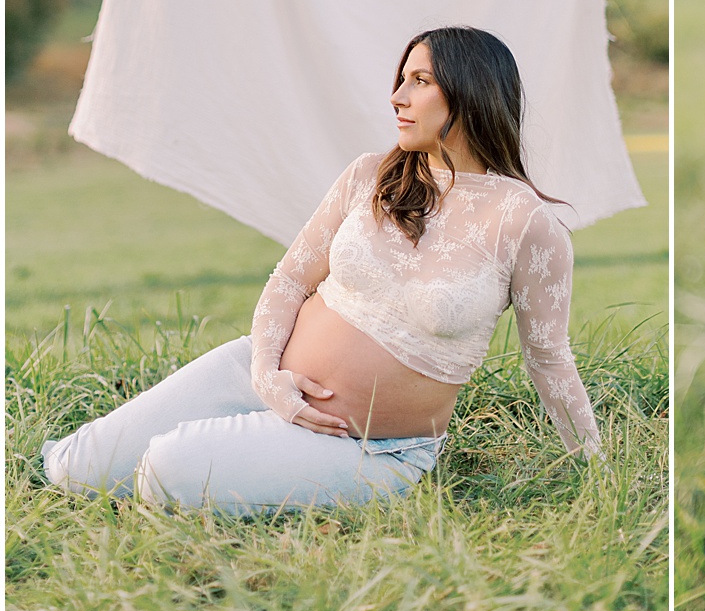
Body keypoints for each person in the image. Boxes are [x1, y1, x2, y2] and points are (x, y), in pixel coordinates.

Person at [42, 26, 600, 516]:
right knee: (72, 469)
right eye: (400, 79)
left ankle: (232, 451)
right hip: (262, 374)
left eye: (419, 81)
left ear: (473, 91)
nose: (397, 97)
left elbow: (549, 358)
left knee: (164, 470)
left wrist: (595, 470)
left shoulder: (527, 224)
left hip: (368, 446)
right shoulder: (369, 177)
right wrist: (267, 374)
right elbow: (287, 282)